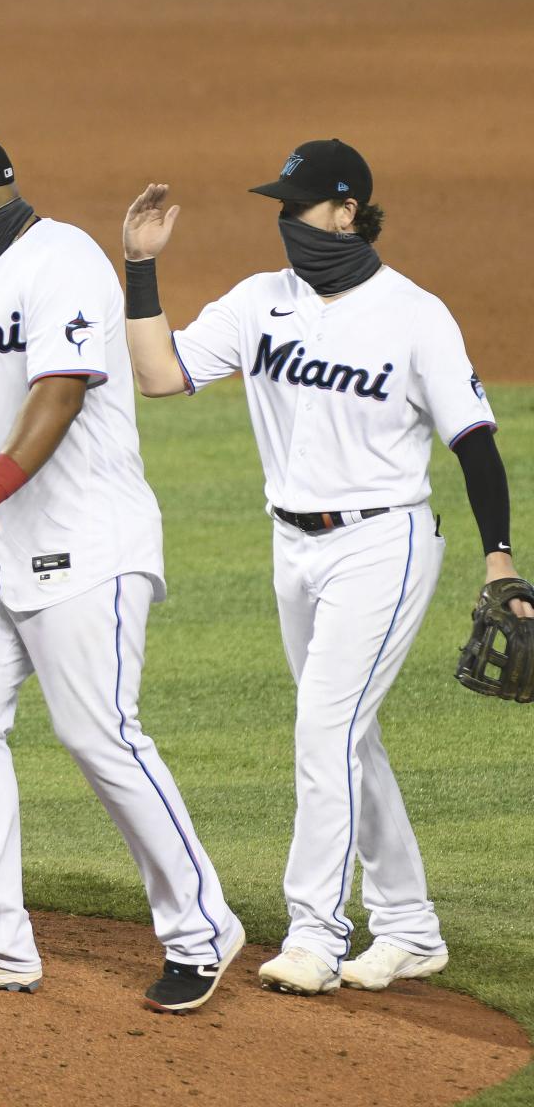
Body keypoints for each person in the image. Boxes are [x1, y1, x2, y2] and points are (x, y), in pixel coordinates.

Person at [120, 138, 531, 995]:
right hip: (292, 545)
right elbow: (159, 375)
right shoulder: (258, 301)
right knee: (347, 733)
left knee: (325, 729)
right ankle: (411, 926)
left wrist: (499, 560)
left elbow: (475, 444)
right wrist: (139, 267)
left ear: (348, 213)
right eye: (280, 208)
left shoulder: (415, 314)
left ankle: (314, 933)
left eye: (299, 207)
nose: (285, 223)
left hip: (384, 542)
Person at [0, 127, 244, 1010]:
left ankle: (204, 927)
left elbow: (60, 391)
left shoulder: (66, 261)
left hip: (89, 545)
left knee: (101, 737)